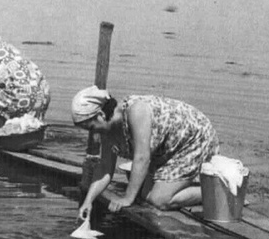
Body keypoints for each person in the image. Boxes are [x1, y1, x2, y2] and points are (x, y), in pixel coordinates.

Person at [72, 86, 219, 215]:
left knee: (159, 199)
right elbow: (105, 168)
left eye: (91, 127)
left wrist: (127, 199)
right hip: (168, 148)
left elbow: (142, 158)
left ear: (101, 115)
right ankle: (185, 185)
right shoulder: (106, 130)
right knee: (145, 194)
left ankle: (217, 193)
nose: (93, 133)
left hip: (195, 139)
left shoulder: (136, 111)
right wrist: (88, 201)